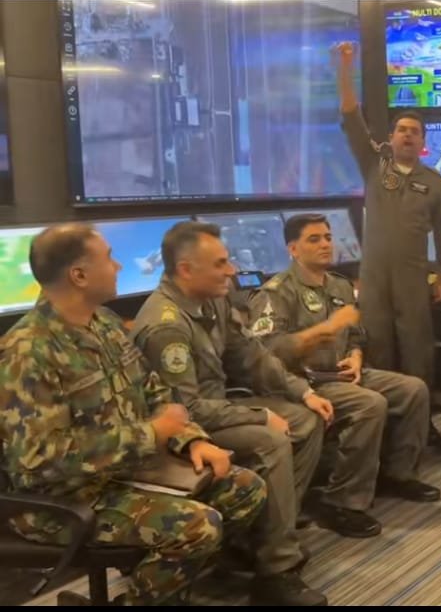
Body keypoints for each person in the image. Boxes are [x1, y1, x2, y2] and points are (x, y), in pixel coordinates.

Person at [0, 224, 322, 606]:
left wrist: (192, 440)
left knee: (246, 489)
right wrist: (151, 435)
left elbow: (154, 391)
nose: (119, 266)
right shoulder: (28, 351)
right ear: (79, 275)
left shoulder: (104, 323)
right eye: (109, 258)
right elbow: (37, 459)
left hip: (128, 474)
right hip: (67, 502)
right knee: (199, 527)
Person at [130, 222, 329, 604]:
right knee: (270, 439)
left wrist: (302, 392)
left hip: (218, 405)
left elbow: (252, 356)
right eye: (220, 263)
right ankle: (276, 569)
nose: (232, 270)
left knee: (306, 419)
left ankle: (261, 537)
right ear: (186, 270)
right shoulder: (165, 326)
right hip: (183, 429)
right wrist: (258, 416)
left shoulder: (213, 300)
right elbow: (184, 411)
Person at [248, 214, 441, 537]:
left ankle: (397, 474)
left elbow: (355, 335)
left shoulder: (339, 285)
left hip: (345, 372)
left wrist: (355, 356)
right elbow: (268, 351)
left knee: (413, 389)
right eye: (314, 239)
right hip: (306, 381)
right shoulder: (277, 293)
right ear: (293, 249)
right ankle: (341, 502)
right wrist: (324, 331)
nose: (325, 244)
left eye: (327, 237)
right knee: (370, 404)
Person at [334, 40, 441, 445]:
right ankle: (383, 423)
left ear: (423, 142)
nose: (407, 135)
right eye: (402, 129)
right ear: (391, 136)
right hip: (374, 275)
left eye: (414, 132)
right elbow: (351, 116)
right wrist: (344, 67)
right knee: (378, 346)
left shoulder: (434, 182)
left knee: (418, 349)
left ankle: (421, 422)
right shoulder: (375, 165)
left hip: (413, 275)